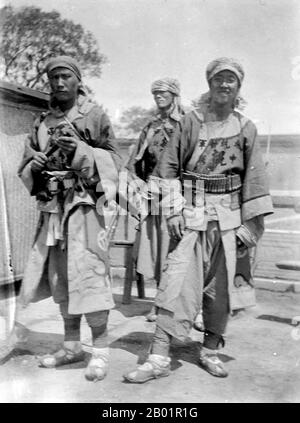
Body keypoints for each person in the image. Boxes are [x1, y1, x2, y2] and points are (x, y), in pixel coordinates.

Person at [124, 57, 273, 382]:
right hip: (192, 214)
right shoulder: (189, 122)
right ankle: (159, 358)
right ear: (209, 83)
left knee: (221, 291)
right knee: (175, 284)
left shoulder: (246, 128)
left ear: (239, 86)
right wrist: (175, 209)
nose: (224, 84)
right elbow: (167, 169)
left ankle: (210, 351)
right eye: (218, 78)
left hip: (230, 218)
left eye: (230, 79)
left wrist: (251, 226)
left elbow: (256, 178)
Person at [17, 56, 121, 381]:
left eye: (65, 77)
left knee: (89, 278)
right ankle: (72, 346)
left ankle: (101, 352)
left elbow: (116, 162)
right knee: (62, 280)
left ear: (78, 81)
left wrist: (82, 151)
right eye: (54, 78)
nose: (59, 83)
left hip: (86, 208)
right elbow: (27, 165)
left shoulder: (95, 115)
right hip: (53, 211)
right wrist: (33, 164)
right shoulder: (41, 122)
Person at [126, 78, 184, 321]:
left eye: (163, 93)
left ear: (174, 95)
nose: (159, 97)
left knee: (179, 250)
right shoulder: (151, 126)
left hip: (180, 195)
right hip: (153, 195)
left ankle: (190, 307)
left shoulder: (186, 124)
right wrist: (137, 187)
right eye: (155, 93)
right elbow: (136, 162)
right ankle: (159, 303)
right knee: (157, 250)